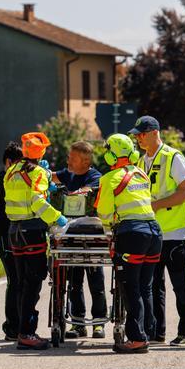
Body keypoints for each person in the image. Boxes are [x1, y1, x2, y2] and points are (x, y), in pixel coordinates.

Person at [130, 115, 185, 346]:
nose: (138, 138)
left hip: (175, 232)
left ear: (154, 133)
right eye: (136, 135)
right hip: (151, 233)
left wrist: (157, 204)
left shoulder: (172, 156)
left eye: (141, 134)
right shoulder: (141, 162)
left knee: (181, 285)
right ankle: (157, 332)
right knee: (153, 286)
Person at [95, 134, 162, 353]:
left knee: (130, 287)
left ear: (111, 154)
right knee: (145, 286)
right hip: (154, 232)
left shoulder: (109, 179)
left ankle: (137, 338)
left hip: (132, 235)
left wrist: (109, 227)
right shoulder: (141, 173)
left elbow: (104, 213)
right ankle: (148, 332)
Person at [4, 131, 67, 350]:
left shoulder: (12, 170)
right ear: (41, 153)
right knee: (33, 283)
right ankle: (27, 333)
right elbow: (37, 202)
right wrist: (58, 218)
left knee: (22, 283)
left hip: (14, 231)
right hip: (31, 231)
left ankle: (23, 331)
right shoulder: (38, 172)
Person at [51, 141, 106, 339]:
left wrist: (69, 193)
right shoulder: (69, 174)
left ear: (85, 161)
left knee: (96, 282)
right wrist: (41, 172)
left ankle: (98, 323)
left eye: (72, 158)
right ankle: (78, 323)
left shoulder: (94, 176)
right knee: (74, 283)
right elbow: (52, 176)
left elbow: (87, 191)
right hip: (71, 236)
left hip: (91, 237)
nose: (68, 161)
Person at [0, 141, 25, 340]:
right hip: (3, 234)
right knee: (14, 279)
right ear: (9, 162)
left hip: (14, 233)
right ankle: (12, 326)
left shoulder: (13, 178)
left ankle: (18, 324)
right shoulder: (3, 179)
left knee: (20, 279)